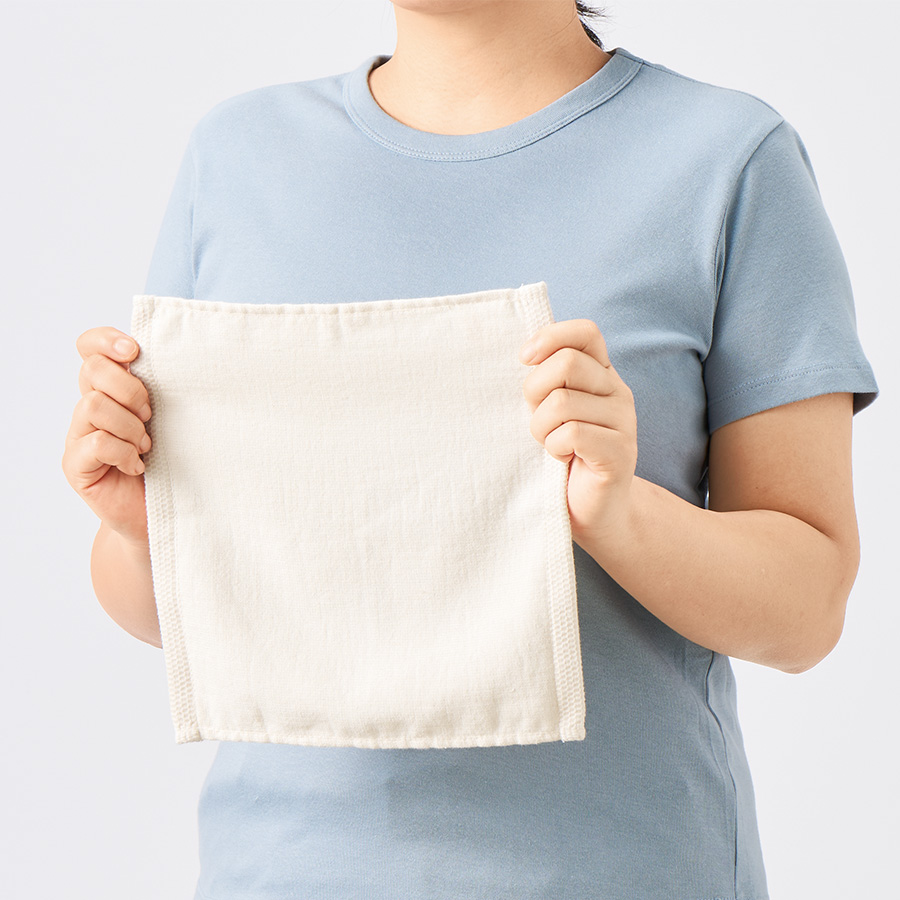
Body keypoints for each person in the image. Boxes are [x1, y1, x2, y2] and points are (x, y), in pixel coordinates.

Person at [62, 1, 880, 897]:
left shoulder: (728, 158)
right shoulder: (237, 156)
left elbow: (808, 611)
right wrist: (142, 527)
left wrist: (620, 513)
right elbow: (175, 611)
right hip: (281, 873)